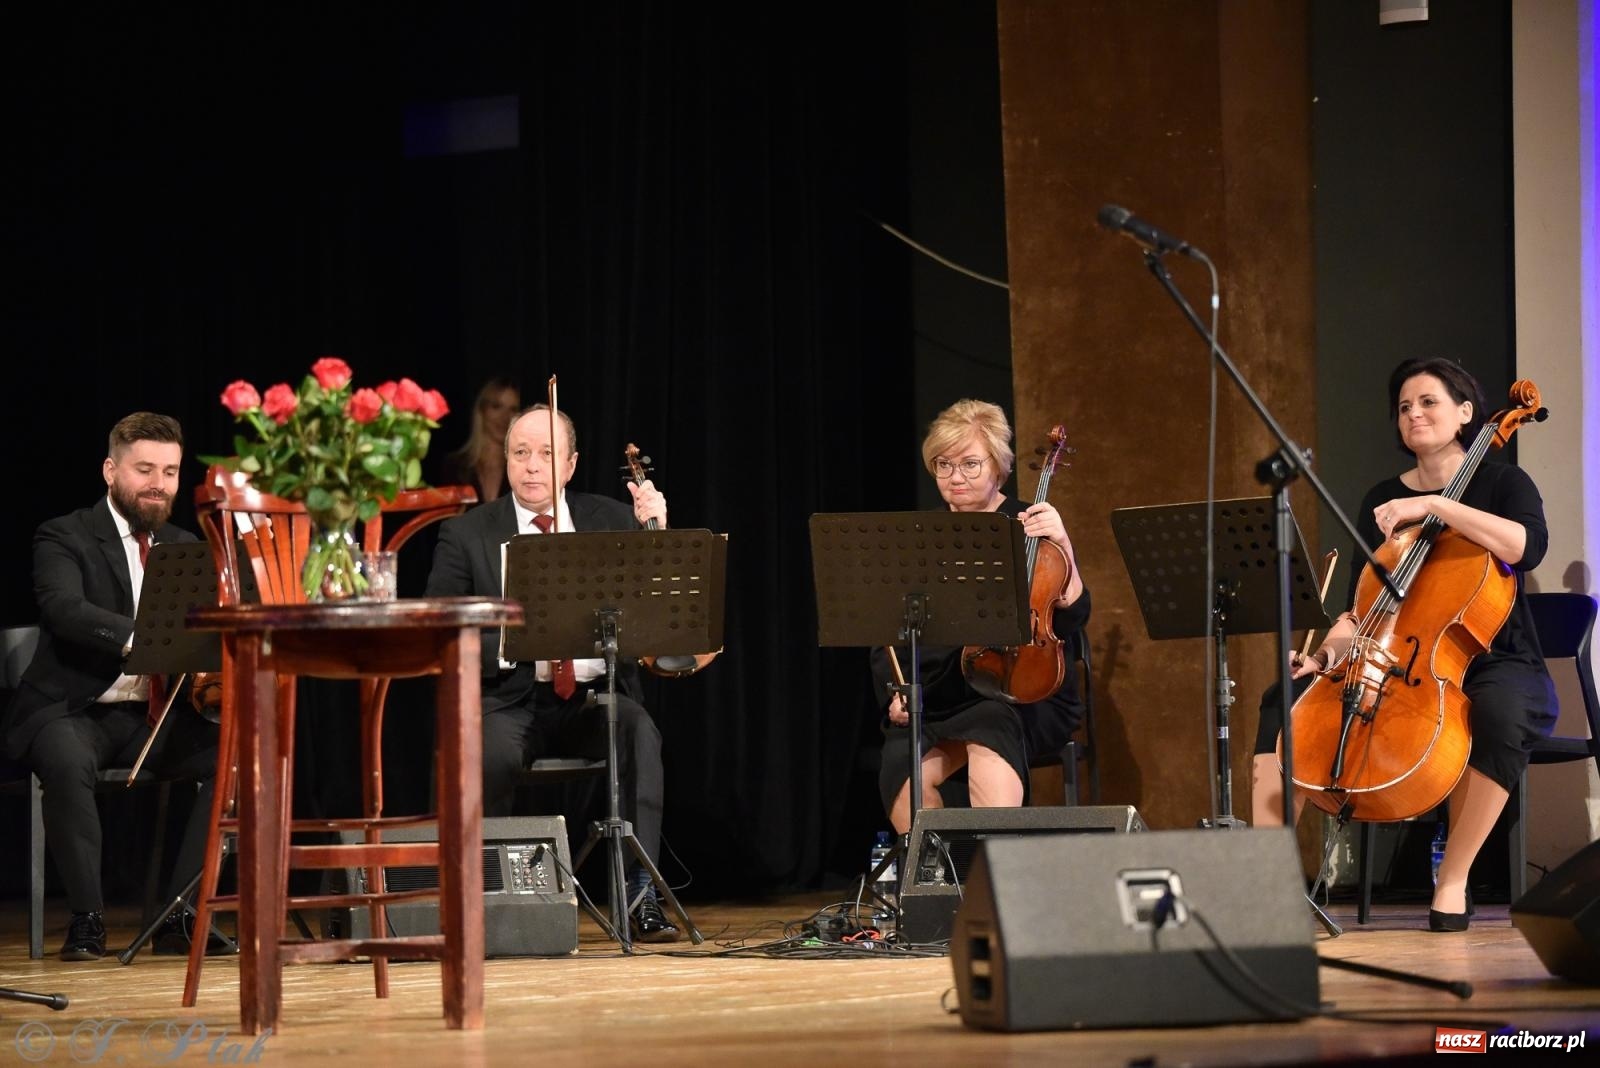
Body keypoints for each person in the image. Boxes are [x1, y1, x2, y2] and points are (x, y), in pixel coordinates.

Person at [1251, 358, 1556, 932]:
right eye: (1404, 407)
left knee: (1500, 712)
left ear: (1466, 413)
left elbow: (1524, 547)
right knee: (1283, 698)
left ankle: (1454, 879)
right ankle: (1265, 884)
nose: (1414, 413)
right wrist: (1320, 659)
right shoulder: (1383, 496)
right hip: (1399, 653)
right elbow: (1360, 608)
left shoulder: (1502, 482)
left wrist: (1437, 505)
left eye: (1428, 402)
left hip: (1492, 653)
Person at [424, 403, 680, 942]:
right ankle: (487, 900)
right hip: (509, 699)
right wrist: (513, 641)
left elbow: (662, 609)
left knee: (637, 731)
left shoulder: (611, 520)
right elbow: (440, 629)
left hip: (591, 697)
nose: (532, 465)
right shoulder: (467, 533)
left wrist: (656, 531)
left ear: (570, 465)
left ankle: (640, 896)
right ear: (507, 460)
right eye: (521, 453)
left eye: (546, 454)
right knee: (483, 751)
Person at [1, 413, 228, 960]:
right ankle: (88, 919)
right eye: (144, 469)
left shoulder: (184, 544)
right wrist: (140, 638)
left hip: (149, 718)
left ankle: (179, 917)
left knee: (235, 756)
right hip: (72, 708)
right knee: (63, 757)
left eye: (170, 472)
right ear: (110, 470)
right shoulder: (65, 534)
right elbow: (64, 608)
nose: (159, 483)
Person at [871, 399, 1091, 834]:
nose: (956, 477)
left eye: (971, 464)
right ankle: (941, 886)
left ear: (999, 465)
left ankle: (994, 874)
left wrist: (1063, 543)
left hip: (1023, 688)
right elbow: (889, 633)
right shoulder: (918, 539)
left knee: (992, 722)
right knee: (901, 759)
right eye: (944, 465)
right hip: (942, 690)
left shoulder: (1030, 524)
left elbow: (1073, 617)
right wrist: (898, 692)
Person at [438, 377, 521, 503]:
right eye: (496, 406)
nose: (505, 417)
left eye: (513, 409)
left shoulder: (523, 469)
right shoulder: (455, 467)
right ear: (482, 410)